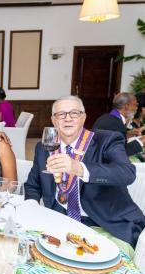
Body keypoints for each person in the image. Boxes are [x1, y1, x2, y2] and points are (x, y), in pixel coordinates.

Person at [25, 95, 145, 255]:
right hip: (61, 223)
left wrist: (79, 168)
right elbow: (33, 185)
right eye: (61, 114)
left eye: (74, 113)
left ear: (83, 118)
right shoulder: (44, 147)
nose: (67, 118)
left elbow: (127, 173)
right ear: (53, 120)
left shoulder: (107, 140)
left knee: (100, 273)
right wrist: (32, 208)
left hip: (108, 226)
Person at [92, 92, 145, 156]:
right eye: (135, 105)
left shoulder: (105, 117)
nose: (136, 108)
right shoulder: (117, 124)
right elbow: (120, 154)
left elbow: (112, 137)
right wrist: (141, 141)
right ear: (127, 106)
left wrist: (128, 134)